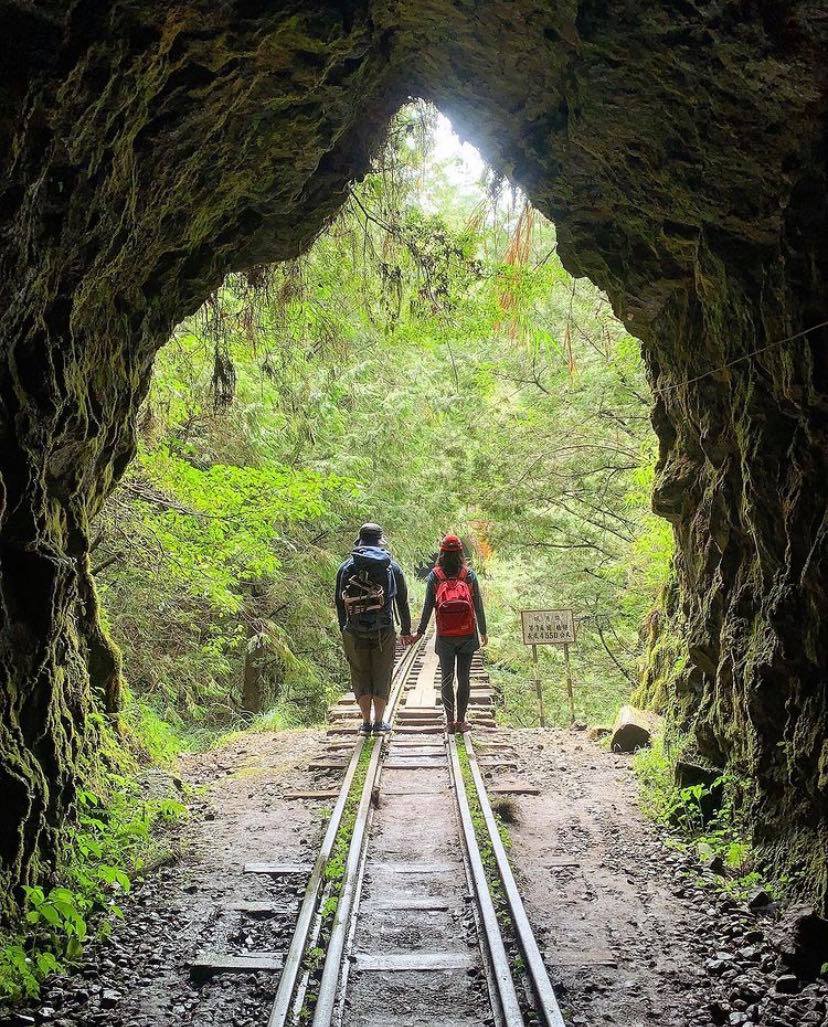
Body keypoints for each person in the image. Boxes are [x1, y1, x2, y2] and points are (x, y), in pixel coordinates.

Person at [336, 523, 415, 735]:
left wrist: (345, 628)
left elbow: (339, 602)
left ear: (360, 540)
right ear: (380, 541)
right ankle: (379, 723)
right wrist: (406, 630)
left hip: (354, 629)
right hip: (384, 629)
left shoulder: (346, 567)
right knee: (382, 672)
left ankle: (365, 723)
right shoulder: (392, 568)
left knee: (359, 672)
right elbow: (402, 602)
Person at [414, 534, 487, 734]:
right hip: (467, 634)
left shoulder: (435, 576)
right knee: (463, 677)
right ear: (461, 552)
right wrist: (483, 631)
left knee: (446, 677)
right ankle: (461, 721)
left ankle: (449, 722)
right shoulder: (469, 575)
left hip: (445, 635)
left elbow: (428, 606)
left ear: (442, 552)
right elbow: (478, 605)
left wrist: (420, 631)